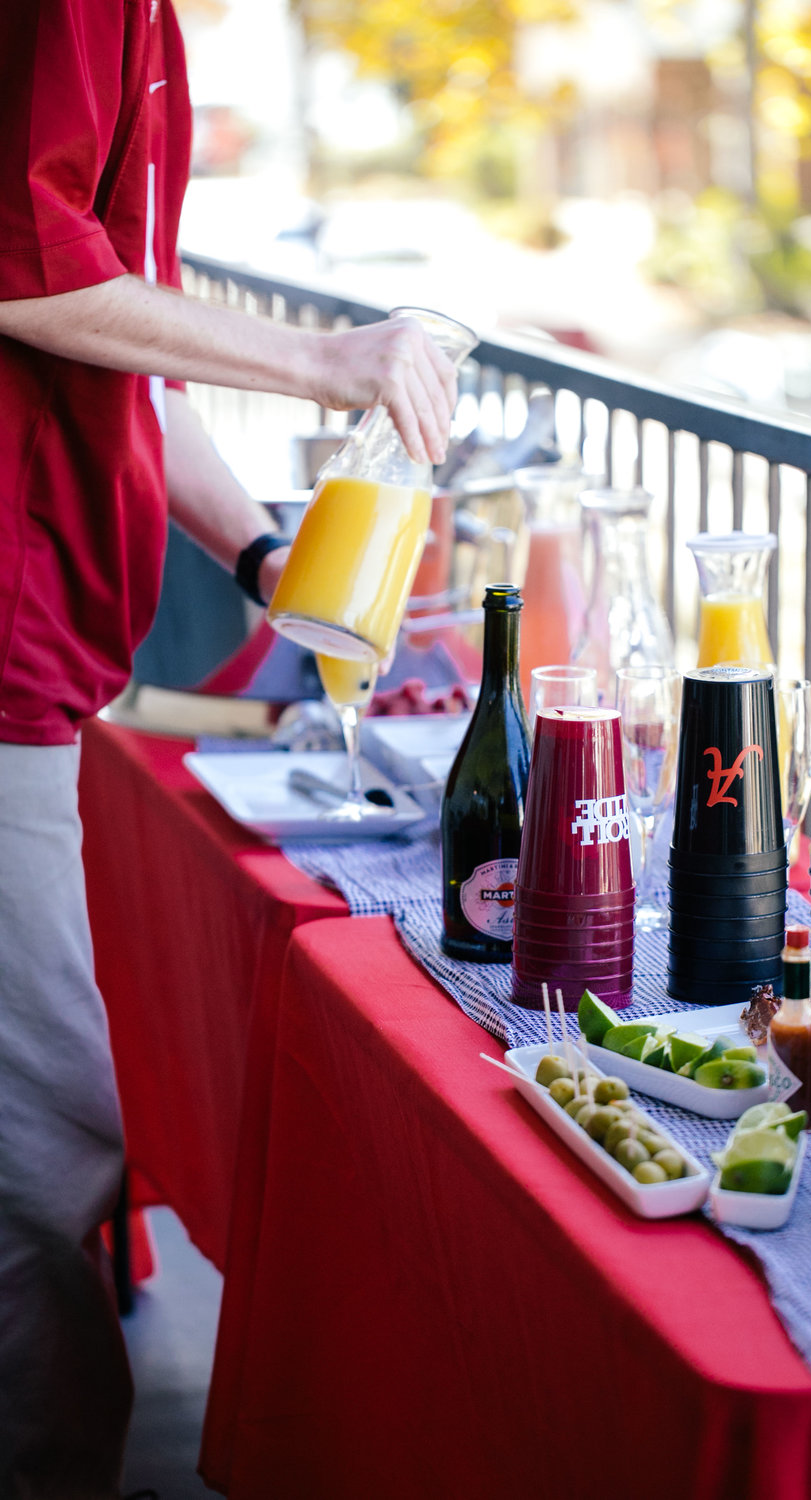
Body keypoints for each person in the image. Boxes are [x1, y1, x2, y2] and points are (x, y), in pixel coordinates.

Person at [0, 4, 457, 1496]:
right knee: (48, 1137)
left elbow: (118, 341)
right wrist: (327, 358)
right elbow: (27, 256)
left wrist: (267, 556)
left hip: (49, 657)